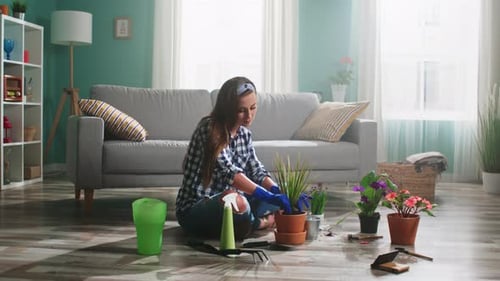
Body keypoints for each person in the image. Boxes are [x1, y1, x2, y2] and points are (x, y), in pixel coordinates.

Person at [175, 76, 291, 240]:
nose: (249, 116)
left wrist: (277, 191)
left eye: (253, 108)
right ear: (227, 108)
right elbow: (230, 174)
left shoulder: (244, 134)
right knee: (237, 201)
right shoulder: (209, 129)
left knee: (281, 192)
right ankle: (258, 223)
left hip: (232, 201)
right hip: (197, 207)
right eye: (241, 110)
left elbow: (256, 170)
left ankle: (245, 221)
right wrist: (268, 197)